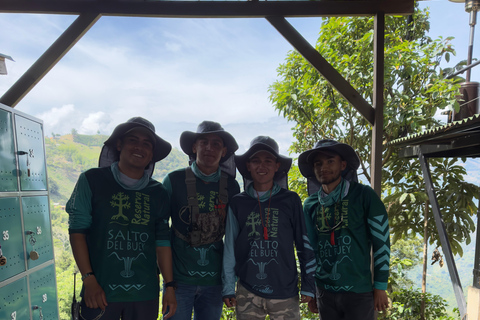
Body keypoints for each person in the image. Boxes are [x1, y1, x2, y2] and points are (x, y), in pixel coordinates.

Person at [67, 117, 177, 320]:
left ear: (152, 153)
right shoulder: (91, 180)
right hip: (100, 291)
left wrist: (169, 286)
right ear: (119, 144)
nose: (139, 147)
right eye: (133, 140)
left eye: (146, 144)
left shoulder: (158, 192)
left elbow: (162, 242)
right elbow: (77, 231)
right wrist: (88, 280)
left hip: (145, 294)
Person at [222, 136, 316, 320]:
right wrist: (227, 287)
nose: (261, 166)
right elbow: (230, 248)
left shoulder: (291, 200)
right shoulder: (238, 203)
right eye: (255, 161)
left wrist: (308, 284)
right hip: (247, 289)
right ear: (248, 166)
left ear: (277, 166)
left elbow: (304, 243)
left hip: (285, 289)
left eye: (268, 161)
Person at [298, 139, 390, 320]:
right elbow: (311, 250)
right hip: (324, 291)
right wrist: (312, 288)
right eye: (318, 163)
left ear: (343, 165)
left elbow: (382, 241)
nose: (324, 167)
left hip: (358, 291)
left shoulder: (364, 195)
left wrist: (380, 286)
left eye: (330, 161)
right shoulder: (310, 204)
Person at [163, 120, 240, 320]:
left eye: (216, 144)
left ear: (223, 152)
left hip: (214, 283)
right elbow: (160, 232)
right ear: (194, 146)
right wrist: (167, 283)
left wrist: (229, 284)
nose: (209, 148)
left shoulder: (232, 187)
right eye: (203, 142)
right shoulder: (173, 181)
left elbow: (233, 237)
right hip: (179, 281)